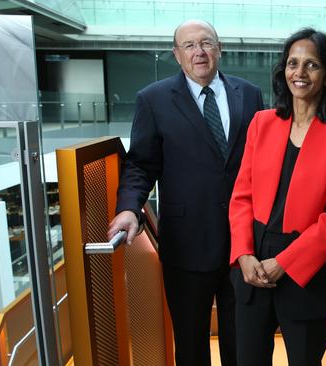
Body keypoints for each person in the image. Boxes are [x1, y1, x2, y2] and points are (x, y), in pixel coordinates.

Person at [107, 20, 263, 366]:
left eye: (206, 43)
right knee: (191, 343)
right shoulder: (153, 99)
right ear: (176, 54)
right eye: (189, 45)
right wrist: (129, 208)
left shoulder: (249, 94)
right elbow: (141, 164)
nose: (199, 52)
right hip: (187, 242)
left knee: (244, 342)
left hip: (244, 241)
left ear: (219, 48)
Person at [228, 28, 326, 366]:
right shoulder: (262, 122)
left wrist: (285, 263)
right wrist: (244, 254)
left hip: (309, 267)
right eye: (293, 63)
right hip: (254, 262)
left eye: (311, 65)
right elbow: (241, 196)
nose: (299, 73)